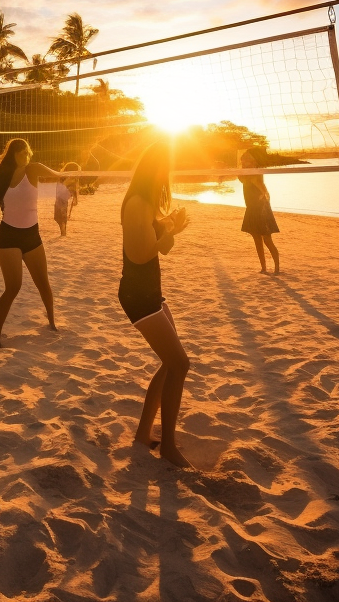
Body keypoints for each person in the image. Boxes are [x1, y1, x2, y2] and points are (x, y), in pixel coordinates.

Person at [119, 141, 192, 467]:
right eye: (166, 168)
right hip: (138, 296)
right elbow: (141, 254)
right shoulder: (137, 203)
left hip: (149, 292)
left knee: (170, 363)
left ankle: (143, 435)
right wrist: (169, 233)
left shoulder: (147, 203)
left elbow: (158, 248)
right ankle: (169, 447)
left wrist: (169, 226)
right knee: (179, 364)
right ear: (155, 170)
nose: (168, 175)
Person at [0, 139, 63, 348]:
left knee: (43, 284)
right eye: (25, 153)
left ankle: (52, 323)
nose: (28, 156)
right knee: (13, 287)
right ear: (16, 153)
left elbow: (59, 176)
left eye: (29, 153)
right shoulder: (1, 175)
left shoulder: (34, 170)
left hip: (32, 236)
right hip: (8, 236)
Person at [239, 150, 280, 274]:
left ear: (254, 161)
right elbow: (239, 177)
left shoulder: (257, 172)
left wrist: (265, 194)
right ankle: (263, 268)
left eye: (249, 160)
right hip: (251, 207)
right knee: (256, 239)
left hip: (261, 207)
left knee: (267, 239)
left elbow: (262, 187)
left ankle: (277, 268)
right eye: (244, 160)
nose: (246, 162)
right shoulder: (243, 173)